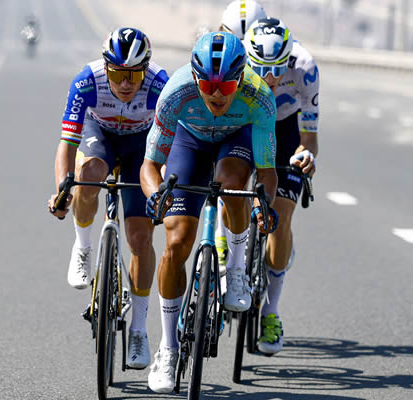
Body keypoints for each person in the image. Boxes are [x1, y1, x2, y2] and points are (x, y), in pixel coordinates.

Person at [139, 32, 278, 393]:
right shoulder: (176, 92)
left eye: (226, 85)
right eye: (208, 85)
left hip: (236, 139)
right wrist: (155, 195)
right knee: (177, 241)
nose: (217, 94)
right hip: (190, 141)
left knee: (232, 183)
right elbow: (149, 166)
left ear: (241, 78)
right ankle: (168, 347)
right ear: (195, 78)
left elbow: (266, 172)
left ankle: (236, 270)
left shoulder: (259, 96)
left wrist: (263, 204)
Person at [47, 27, 169, 369]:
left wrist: (161, 190)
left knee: (140, 238)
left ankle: (139, 330)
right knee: (88, 174)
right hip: (98, 135)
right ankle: (83, 246)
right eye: (117, 74)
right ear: (106, 68)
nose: (126, 83)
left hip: (141, 145)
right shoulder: (87, 81)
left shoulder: (160, 84)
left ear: (145, 69)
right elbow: (67, 144)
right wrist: (62, 191)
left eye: (134, 75)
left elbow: (170, 147)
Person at [224, 17, 320, 356]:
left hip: (285, 129)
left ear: (289, 58)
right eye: (260, 69)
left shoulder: (306, 68)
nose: (269, 77)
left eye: (277, 69)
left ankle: (271, 312)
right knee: (229, 186)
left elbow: (309, 136)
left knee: (280, 219)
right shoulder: (235, 62)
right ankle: (223, 252)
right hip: (246, 124)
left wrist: (304, 156)